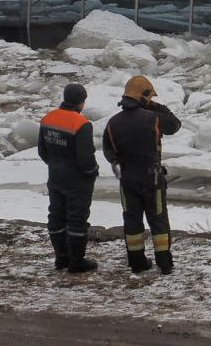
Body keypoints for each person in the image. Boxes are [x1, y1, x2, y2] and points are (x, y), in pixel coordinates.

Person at [103, 75, 181, 274]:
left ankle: (137, 262)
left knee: (132, 219)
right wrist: (153, 106)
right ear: (144, 96)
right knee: (158, 219)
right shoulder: (153, 118)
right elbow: (174, 125)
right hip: (151, 178)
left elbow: (109, 151)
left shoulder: (113, 122)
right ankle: (164, 263)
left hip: (127, 178)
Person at [37, 82, 99, 273]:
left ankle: (61, 258)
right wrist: (92, 172)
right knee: (77, 218)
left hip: (55, 175)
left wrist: (55, 164)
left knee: (56, 214)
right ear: (82, 101)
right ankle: (76, 261)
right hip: (76, 179)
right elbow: (85, 158)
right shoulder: (82, 124)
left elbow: (42, 151)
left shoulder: (48, 119)